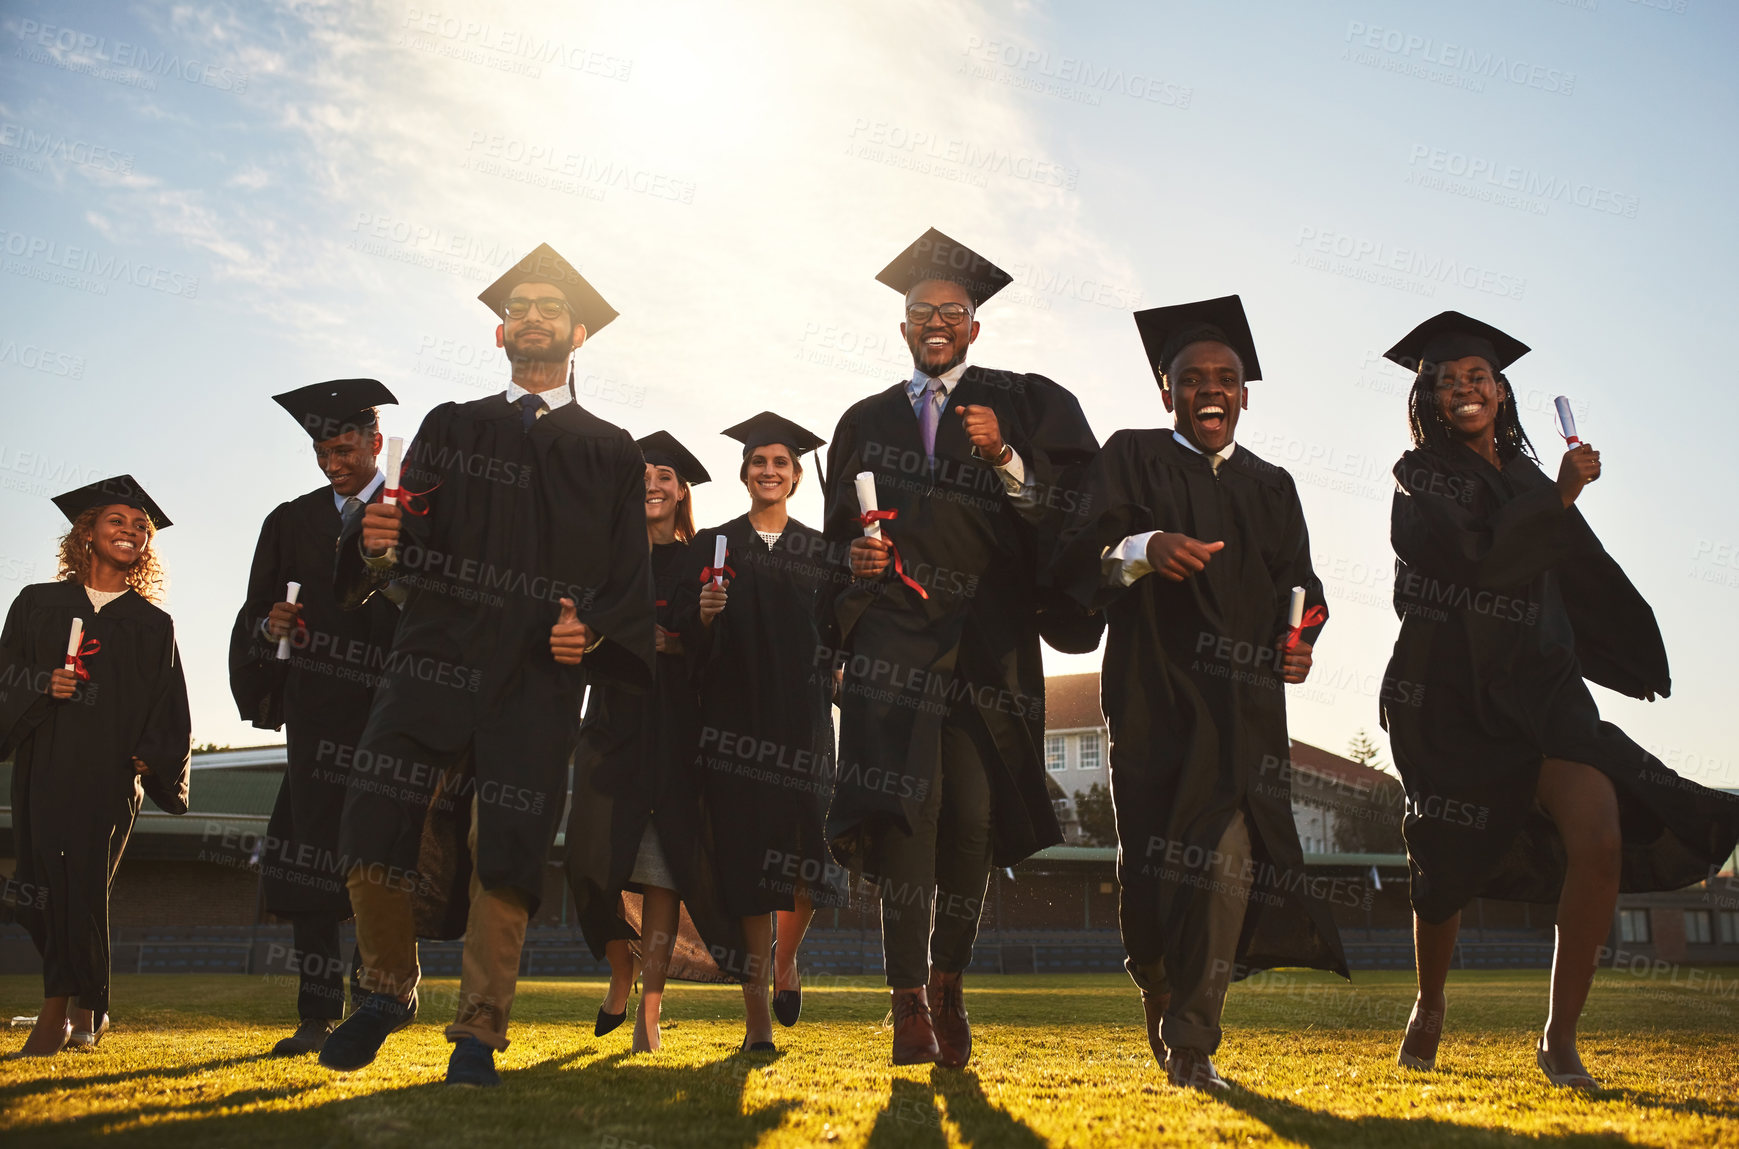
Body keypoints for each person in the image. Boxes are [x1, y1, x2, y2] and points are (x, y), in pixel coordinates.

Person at [317, 243, 655, 1086]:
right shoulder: (451, 424)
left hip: (537, 671)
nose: (532, 315)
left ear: (578, 331)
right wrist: (380, 546)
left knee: (506, 843)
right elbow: (404, 542)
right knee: (370, 813)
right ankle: (386, 988)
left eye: (549, 306)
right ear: (503, 330)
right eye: (520, 306)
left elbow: (627, 576)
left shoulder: (610, 449)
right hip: (433, 652)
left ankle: (479, 1026)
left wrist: (597, 635)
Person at [1379, 311, 1739, 1090]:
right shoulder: (1422, 478)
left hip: (1541, 691)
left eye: (1478, 377)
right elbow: (1481, 567)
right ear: (1430, 400)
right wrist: (1561, 496)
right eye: (1447, 381)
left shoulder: (1528, 480)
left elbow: (1577, 574)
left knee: (1599, 831)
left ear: (1502, 392)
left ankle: (1557, 1038)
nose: (1465, 389)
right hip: (1450, 692)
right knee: (1443, 863)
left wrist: (1631, 653)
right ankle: (1429, 1004)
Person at [1051, 295, 1348, 1091]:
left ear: (1245, 393)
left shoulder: (1272, 485)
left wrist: (1301, 640)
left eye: (1225, 378)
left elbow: (1303, 587)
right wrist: (1147, 549)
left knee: (1230, 860)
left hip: (1244, 706)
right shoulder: (1130, 456)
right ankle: (1154, 975)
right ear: (1166, 391)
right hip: (1153, 697)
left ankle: (1192, 1038)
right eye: (1190, 379)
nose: (1209, 390)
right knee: (1153, 863)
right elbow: (1079, 562)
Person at [821, 228, 1100, 1067]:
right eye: (921, 311)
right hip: (894, 650)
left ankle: (948, 980)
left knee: (973, 826)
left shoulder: (1022, 403)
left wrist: (1006, 455)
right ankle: (906, 997)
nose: (936, 321)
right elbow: (835, 544)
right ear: (903, 326)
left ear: (974, 327)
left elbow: (1074, 510)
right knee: (910, 820)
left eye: (953, 310)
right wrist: (854, 564)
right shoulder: (862, 421)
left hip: (988, 648)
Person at [227, 379, 402, 1056]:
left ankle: (379, 997)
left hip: (391, 711)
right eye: (319, 450)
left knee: (381, 858)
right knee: (307, 861)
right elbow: (254, 612)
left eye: (342, 447)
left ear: (374, 441)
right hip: (317, 715)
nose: (330, 462)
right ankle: (316, 1009)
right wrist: (268, 627)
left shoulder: (409, 512)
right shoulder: (291, 520)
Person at [565, 430, 748, 1053]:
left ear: (681, 491)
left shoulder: (702, 563)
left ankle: (649, 1009)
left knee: (665, 873)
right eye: (642, 473)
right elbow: (584, 635)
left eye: (665, 475)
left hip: (676, 732)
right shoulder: (608, 560)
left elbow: (717, 651)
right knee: (591, 862)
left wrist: (697, 628)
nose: (652, 483)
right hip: (613, 728)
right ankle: (621, 966)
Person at [1, 476, 191, 1056]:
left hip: (108, 774)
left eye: (141, 528)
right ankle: (94, 1004)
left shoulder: (153, 624)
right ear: (87, 533)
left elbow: (171, 704)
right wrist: (40, 682)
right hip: (45, 766)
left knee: (81, 887)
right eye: (117, 521)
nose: (130, 532)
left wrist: (151, 755)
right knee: (37, 888)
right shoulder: (38, 602)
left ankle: (56, 1013)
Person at [691, 412, 845, 1051]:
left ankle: (786, 960)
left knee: (808, 863)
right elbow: (690, 637)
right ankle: (757, 1017)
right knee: (751, 871)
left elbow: (841, 633)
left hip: (805, 724)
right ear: (744, 471)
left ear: (797, 475)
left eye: (781, 463)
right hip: (734, 725)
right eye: (759, 462)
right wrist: (701, 614)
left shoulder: (822, 550)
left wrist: (841, 669)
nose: (769, 471)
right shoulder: (716, 545)